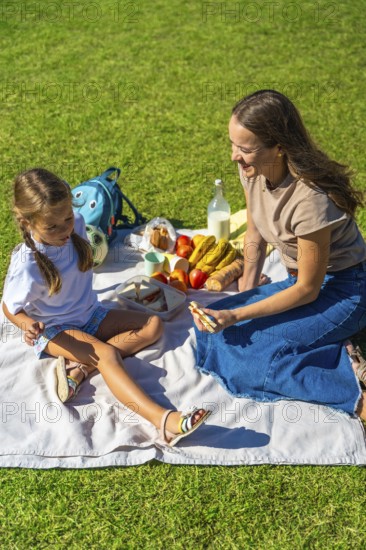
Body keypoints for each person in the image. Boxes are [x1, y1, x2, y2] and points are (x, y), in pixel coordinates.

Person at [2, 167, 210, 446]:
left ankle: (81, 369)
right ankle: (164, 421)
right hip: (56, 329)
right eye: (52, 227)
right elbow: (9, 306)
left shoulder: (75, 224)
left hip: (91, 314)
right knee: (108, 355)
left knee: (154, 325)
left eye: (66, 218)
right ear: (27, 222)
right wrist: (28, 325)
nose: (64, 229)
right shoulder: (27, 264)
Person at [191, 89, 366, 420]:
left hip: (344, 291)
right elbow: (256, 231)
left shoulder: (310, 199)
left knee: (252, 358)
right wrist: (244, 296)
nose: (234, 157)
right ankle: (335, 347)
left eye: (245, 149)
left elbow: (308, 290)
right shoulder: (253, 171)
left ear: (280, 147)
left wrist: (239, 315)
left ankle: (354, 395)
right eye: (232, 144)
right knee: (212, 333)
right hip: (300, 281)